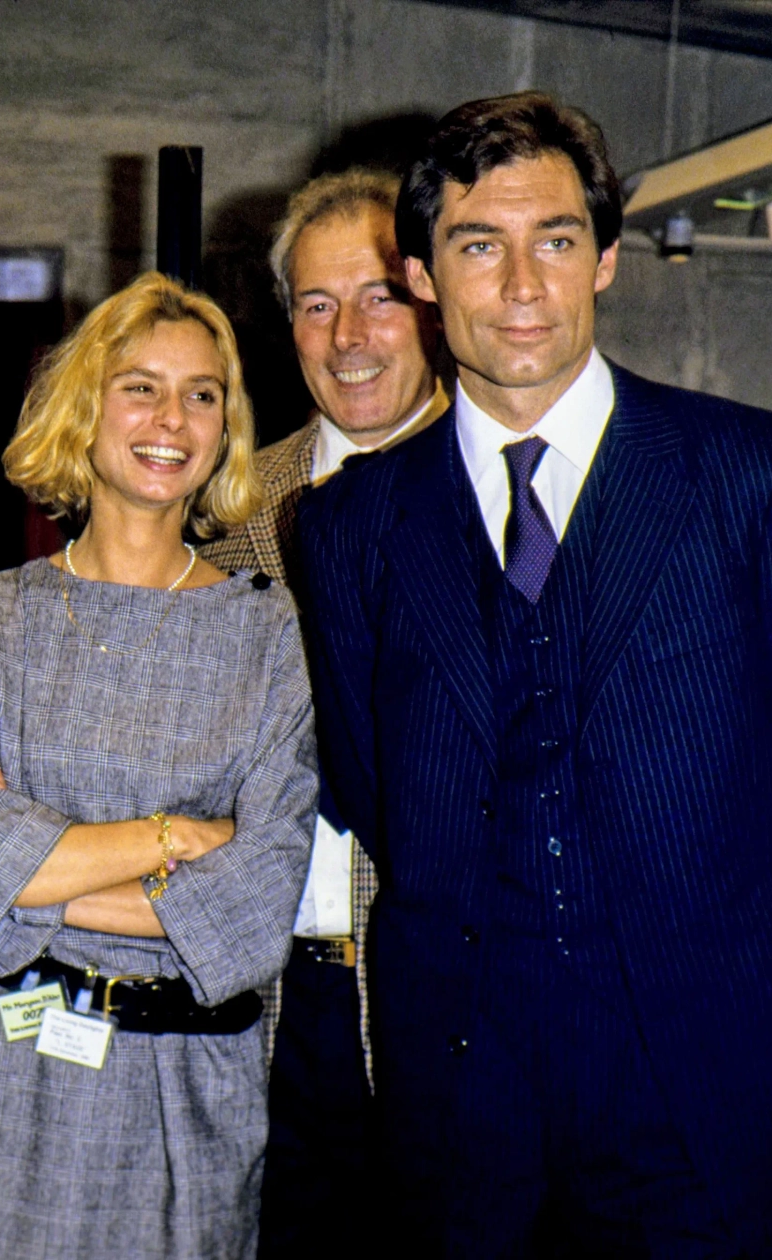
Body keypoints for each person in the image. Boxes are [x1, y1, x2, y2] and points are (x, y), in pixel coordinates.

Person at [296, 91, 772, 1256]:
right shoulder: (349, 525)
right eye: (477, 245)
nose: (521, 286)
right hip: (459, 1114)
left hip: (707, 1098)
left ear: (605, 259)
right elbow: (369, 791)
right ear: (420, 276)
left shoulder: (760, 476)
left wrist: (703, 960)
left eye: (555, 241)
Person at [0, 270, 317, 1259]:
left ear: (228, 424)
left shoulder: (270, 636)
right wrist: (178, 840)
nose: (171, 417)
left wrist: (34, 868)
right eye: (140, 386)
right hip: (6, 1085)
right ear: (84, 407)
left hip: (194, 1097)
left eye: (202, 392)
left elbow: (263, 907)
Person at [199, 166, 444, 1258]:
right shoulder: (233, 504)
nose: (349, 336)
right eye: (314, 303)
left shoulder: (509, 500)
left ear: (433, 301)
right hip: (267, 1012)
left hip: (447, 1011)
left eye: (379, 296)